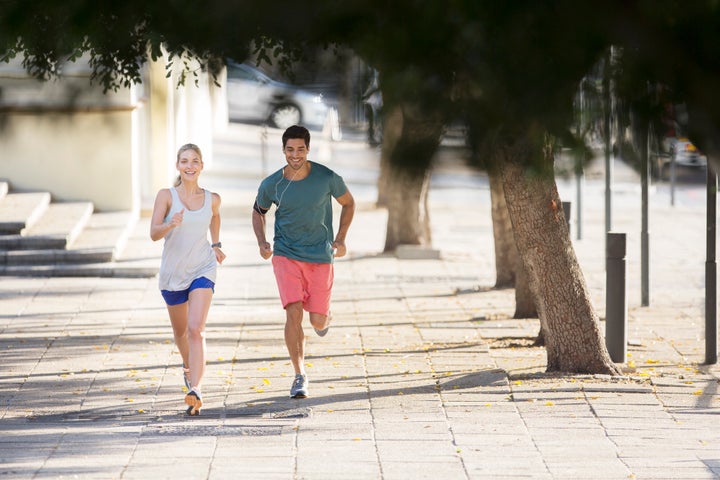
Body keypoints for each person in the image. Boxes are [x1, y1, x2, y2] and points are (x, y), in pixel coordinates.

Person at [252, 125, 355, 398]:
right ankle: (299, 375)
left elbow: (349, 203)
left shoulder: (326, 177)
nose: (294, 155)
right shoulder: (272, 183)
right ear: (283, 150)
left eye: (300, 149)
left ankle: (325, 317)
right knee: (293, 312)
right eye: (289, 149)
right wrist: (262, 241)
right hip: (286, 254)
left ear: (308, 149)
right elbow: (258, 211)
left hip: (320, 255)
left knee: (317, 321)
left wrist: (341, 239)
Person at [150, 143, 226, 415]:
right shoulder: (166, 196)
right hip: (173, 273)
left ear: (202, 166)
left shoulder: (212, 198)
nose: (190, 165)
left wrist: (216, 244)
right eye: (185, 161)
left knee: (196, 328)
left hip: (202, 268)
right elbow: (153, 233)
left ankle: (196, 389)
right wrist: (170, 224)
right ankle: (187, 365)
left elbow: (214, 216)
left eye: (195, 161)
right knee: (181, 333)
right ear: (178, 166)